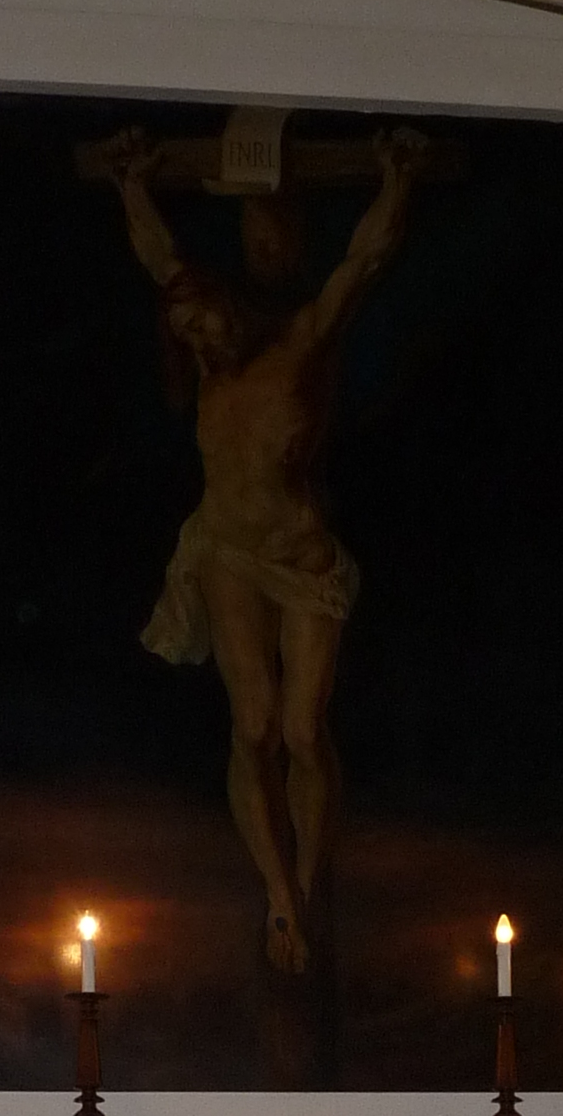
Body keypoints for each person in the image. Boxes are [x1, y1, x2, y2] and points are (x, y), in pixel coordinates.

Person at [103, 125, 426, 973]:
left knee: (303, 730)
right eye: (186, 335)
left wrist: (395, 179)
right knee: (253, 728)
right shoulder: (211, 373)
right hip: (225, 553)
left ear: (225, 301)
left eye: (203, 322)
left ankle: (309, 882)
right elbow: (155, 255)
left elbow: (363, 260)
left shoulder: (300, 347)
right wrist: (131, 185)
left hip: (301, 558)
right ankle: (280, 899)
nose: (201, 340)